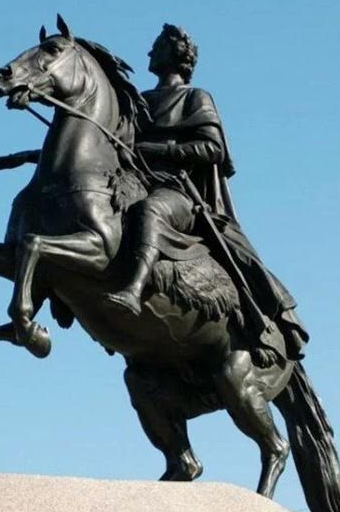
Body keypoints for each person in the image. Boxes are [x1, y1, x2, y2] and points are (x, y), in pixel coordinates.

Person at [103, 24, 308, 364]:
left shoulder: (196, 97)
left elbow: (212, 149)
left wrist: (154, 148)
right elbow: (109, 145)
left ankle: (134, 289)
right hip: (135, 183)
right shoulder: (139, 101)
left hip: (178, 191)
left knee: (150, 211)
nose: (150, 53)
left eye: (157, 47)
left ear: (178, 54)